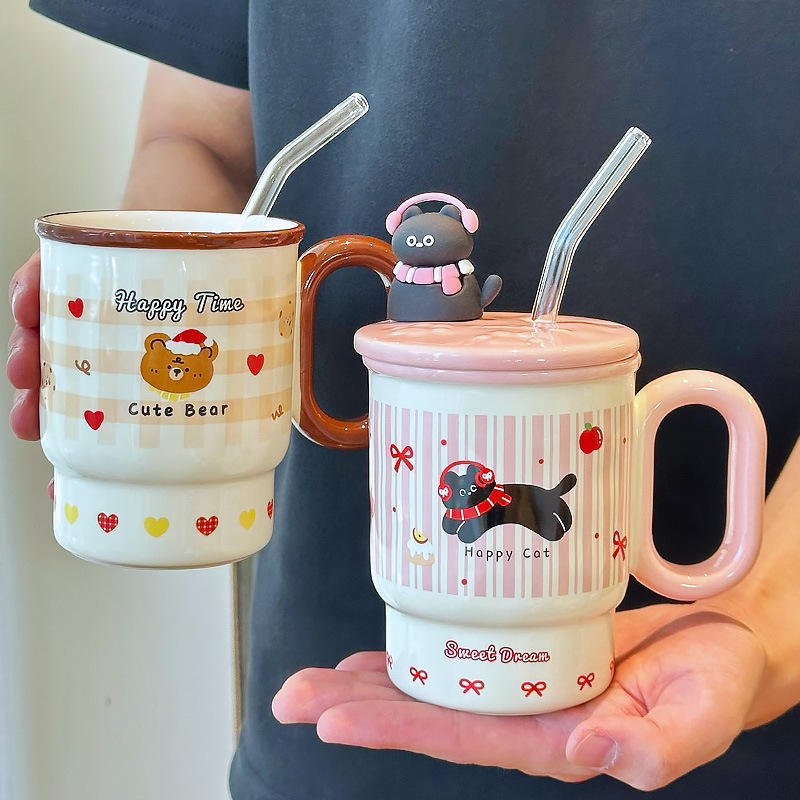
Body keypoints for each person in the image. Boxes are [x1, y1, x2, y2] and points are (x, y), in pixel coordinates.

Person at [8, 1, 800, 796]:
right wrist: (153, 300)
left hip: (743, 721)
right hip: (331, 682)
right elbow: (198, 138)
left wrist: (762, 617)